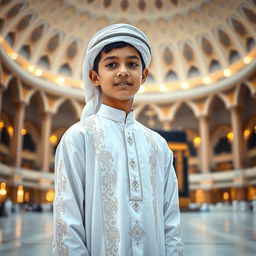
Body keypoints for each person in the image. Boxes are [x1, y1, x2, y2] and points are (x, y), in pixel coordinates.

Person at [53, 23, 183, 256]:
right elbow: (67, 222)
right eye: (112, 64)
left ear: (143, 75)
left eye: (132, 64)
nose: (123, 71)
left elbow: (171, 222)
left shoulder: (158, 145)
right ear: (94, 76)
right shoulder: (79, 137)